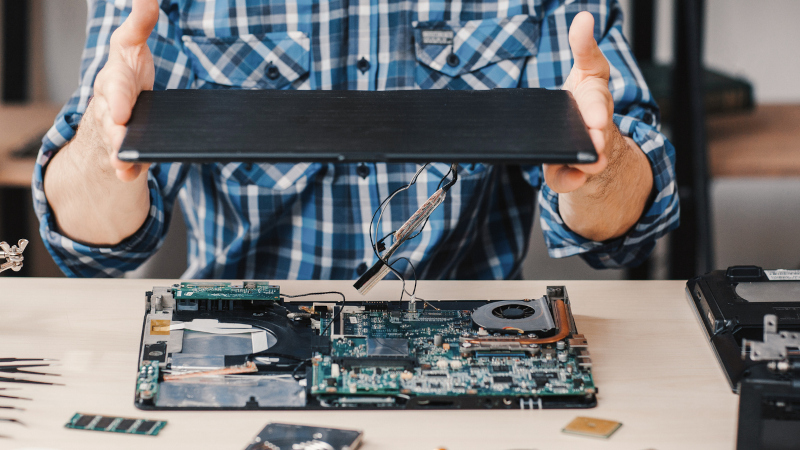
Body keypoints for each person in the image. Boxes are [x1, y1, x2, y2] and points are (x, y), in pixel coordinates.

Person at [34, 0, 678, 280]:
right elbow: (89, 250)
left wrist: (605, 162)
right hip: (239, 347)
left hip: (474, 349)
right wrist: (104, 140)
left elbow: (629, 230)